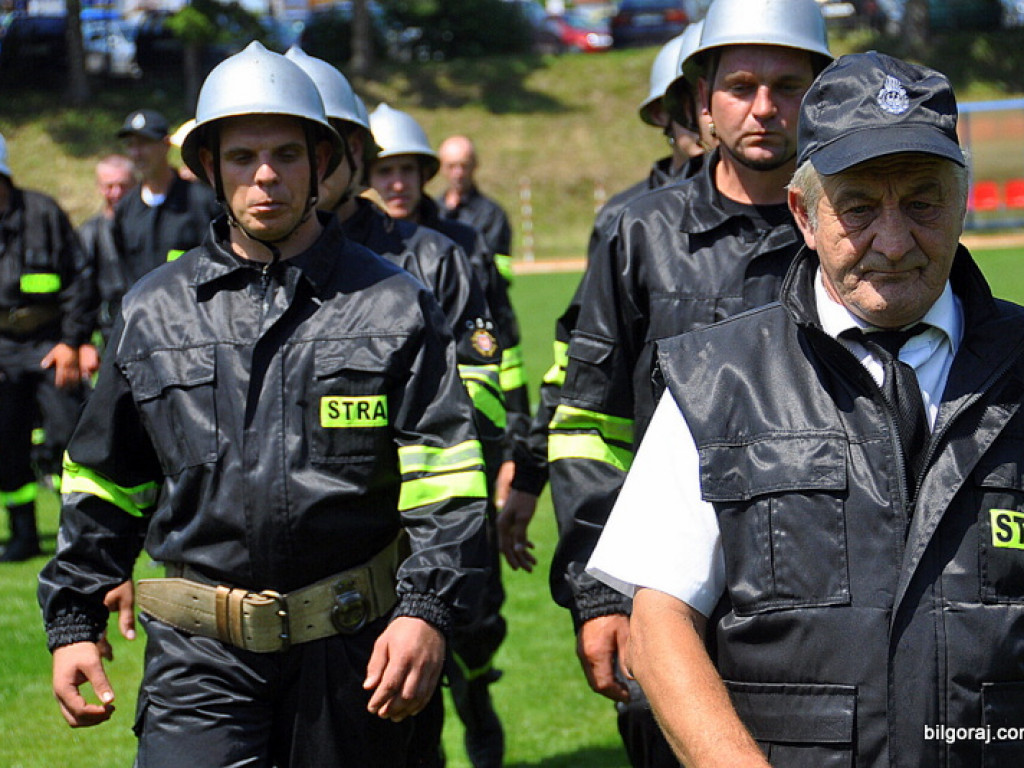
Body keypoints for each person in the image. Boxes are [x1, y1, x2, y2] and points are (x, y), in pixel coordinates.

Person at [38, 41, 489, 767]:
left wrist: (426, 610)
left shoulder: (394, 303)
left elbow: (448, 478)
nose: (267, 176)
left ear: (323, 164)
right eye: (243, 157)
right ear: (211, 169)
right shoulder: (153, 310)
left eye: (287, 153)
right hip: (199, 665)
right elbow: (106, 480)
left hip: (354, 654)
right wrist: (74, 619)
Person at [588, 50, 1022, 768]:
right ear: (805, 214)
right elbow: (660, 619)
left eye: (922, 203)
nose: (892, 242)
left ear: (963, 199)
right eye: (857, 207)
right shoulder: (714, 381)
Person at [543, 1, 832, 765]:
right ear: (702, 102)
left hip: (821, 591)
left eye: (788, 84)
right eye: (740, 85)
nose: (764, 107)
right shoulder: (637, 233)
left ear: (820, 95)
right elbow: (588, 420)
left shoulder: (848, 233)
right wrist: (601, 591)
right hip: (667, 596)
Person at [284, 45, 506, 766]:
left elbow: (480, 397)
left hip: (412, 540)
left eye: (320, 146)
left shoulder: (433, 260)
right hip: (301, 558)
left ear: (352, 152)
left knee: (406, 726)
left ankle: (473, 698)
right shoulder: (255, 263)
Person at [498, 20, 714, 576]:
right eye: (684, 103)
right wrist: (529, 472)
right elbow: (582, 363)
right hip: (654, 501)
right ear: (670, 113)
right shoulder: (627, 221)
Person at [368, 103, 530, 509]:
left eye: (406, 170)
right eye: (385, 171)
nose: (397, 183)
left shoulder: (463, 243)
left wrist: (511, 446)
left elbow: (501, 344)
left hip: (468, 447)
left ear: (425, 173)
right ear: (366, 176)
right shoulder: (348, 251)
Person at [0, 133, 95, 562]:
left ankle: (74, 532)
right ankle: (20, 536)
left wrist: (72, 343)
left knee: (65, 437)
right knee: (6, 445)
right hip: (1, 349)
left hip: (49, 345)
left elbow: (78, 280)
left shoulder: (42, 213)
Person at [112, 107, 219, 294]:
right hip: (143, 316)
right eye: (131, 144)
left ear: (166, 145)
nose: (137, 153)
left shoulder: (201, 202)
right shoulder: (125, 209)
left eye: (145, 143)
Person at [77, 153, 136, 345]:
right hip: (111, 329)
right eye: (109, 186)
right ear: (99, 188)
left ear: (136, 184)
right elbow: (81, 291)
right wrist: (83, 343)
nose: (117, 193)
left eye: (123, 186)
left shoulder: (154, 226)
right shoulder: (89, 233)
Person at [436, 134, 513, 279]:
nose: (458, 173)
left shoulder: (492, 214)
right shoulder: (431, 210)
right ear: (441, 168)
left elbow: (496, 270)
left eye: (464, 166)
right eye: (451, 166)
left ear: (475, 165)